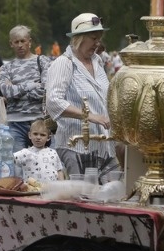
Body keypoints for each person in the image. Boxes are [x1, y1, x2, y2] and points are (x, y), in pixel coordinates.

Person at [45, 13, 119, 176]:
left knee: (114, 193)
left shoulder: (97, 61)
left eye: (99, 38)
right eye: (93, 38)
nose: (97, 43)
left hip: (105, 147)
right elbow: (53, 102)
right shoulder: (64, 63)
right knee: (81, 197)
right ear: (79, 38)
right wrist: (90, 116)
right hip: (76, 148)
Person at [0, 25, 50, 149]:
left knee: (43, 165)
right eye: (16, 42)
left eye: (23, 41)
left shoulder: (42, 61)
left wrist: (17, 90)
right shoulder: (6, 67)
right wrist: (31, 85)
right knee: (17, 164)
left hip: (39, 122)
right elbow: (7, 92)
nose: (20, 45)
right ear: (11, 44)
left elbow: (45, 90)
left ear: (29, 42)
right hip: (15, 123)